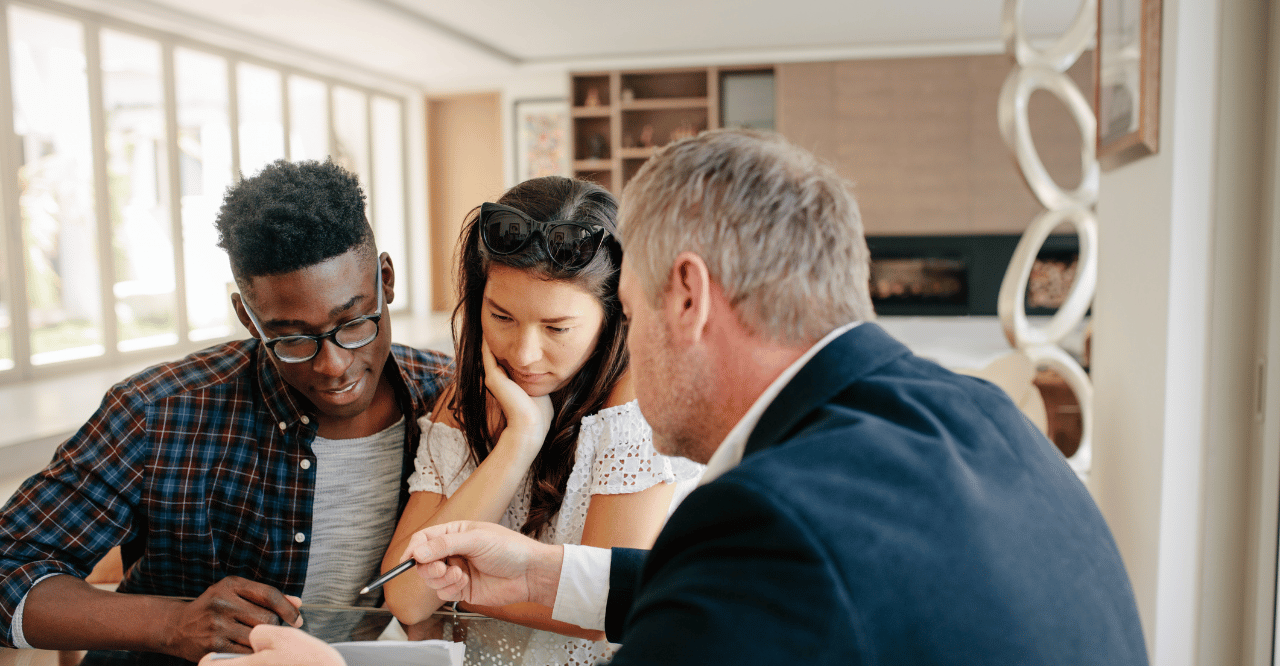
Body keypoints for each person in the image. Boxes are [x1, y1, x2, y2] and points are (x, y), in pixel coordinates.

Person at [206, 130, 1149, 666]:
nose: (624, 344)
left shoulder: (776, 517)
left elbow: (771, 574)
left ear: (686, 297)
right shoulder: (972, 415)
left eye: (633, 308)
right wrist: (539, 575)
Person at [0, 159, 450, 662]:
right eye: (292, 339)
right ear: (248, 318)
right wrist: (171, 623)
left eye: (353, 322)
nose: (333, 365)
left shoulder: (449, 402)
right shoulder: (159, 412)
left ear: (386, 282)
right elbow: (8, 567)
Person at [378, 176, 701, 665]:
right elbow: (404, 597)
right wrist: (519, 441)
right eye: (501, 317)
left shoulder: (636, 402)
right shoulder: (465, 400)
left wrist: (455, 590)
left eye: (557, 328)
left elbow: (599, 612)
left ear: (613, 316)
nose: (525, 355)